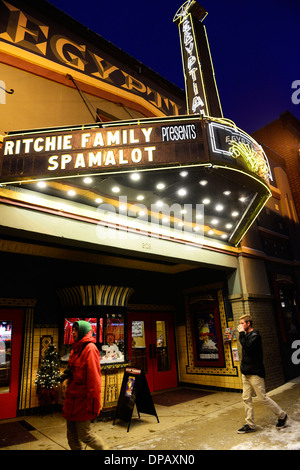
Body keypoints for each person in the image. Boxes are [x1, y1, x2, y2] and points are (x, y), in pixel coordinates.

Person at [61, 320, 109, 450]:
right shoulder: (75, 348)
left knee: (85, 435)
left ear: (82, 331)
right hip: (71, 401)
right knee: (71, 437)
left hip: (83, 402)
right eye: (73, 330)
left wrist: (94, 403)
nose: (73, 332)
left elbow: (94, 379)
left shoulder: (90, 349)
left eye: (76, 330)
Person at [237, 314, 288, 434]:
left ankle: (282, 416)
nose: (240, 326)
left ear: (249, 323)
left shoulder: (255, 335)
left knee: (263, 398)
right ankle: (250, 424)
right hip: (246, 372)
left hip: (255, 373)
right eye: (240, 323)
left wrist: (241, 334)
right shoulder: (246, 335)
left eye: (242, 323)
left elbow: (247, 346)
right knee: (246, 398)